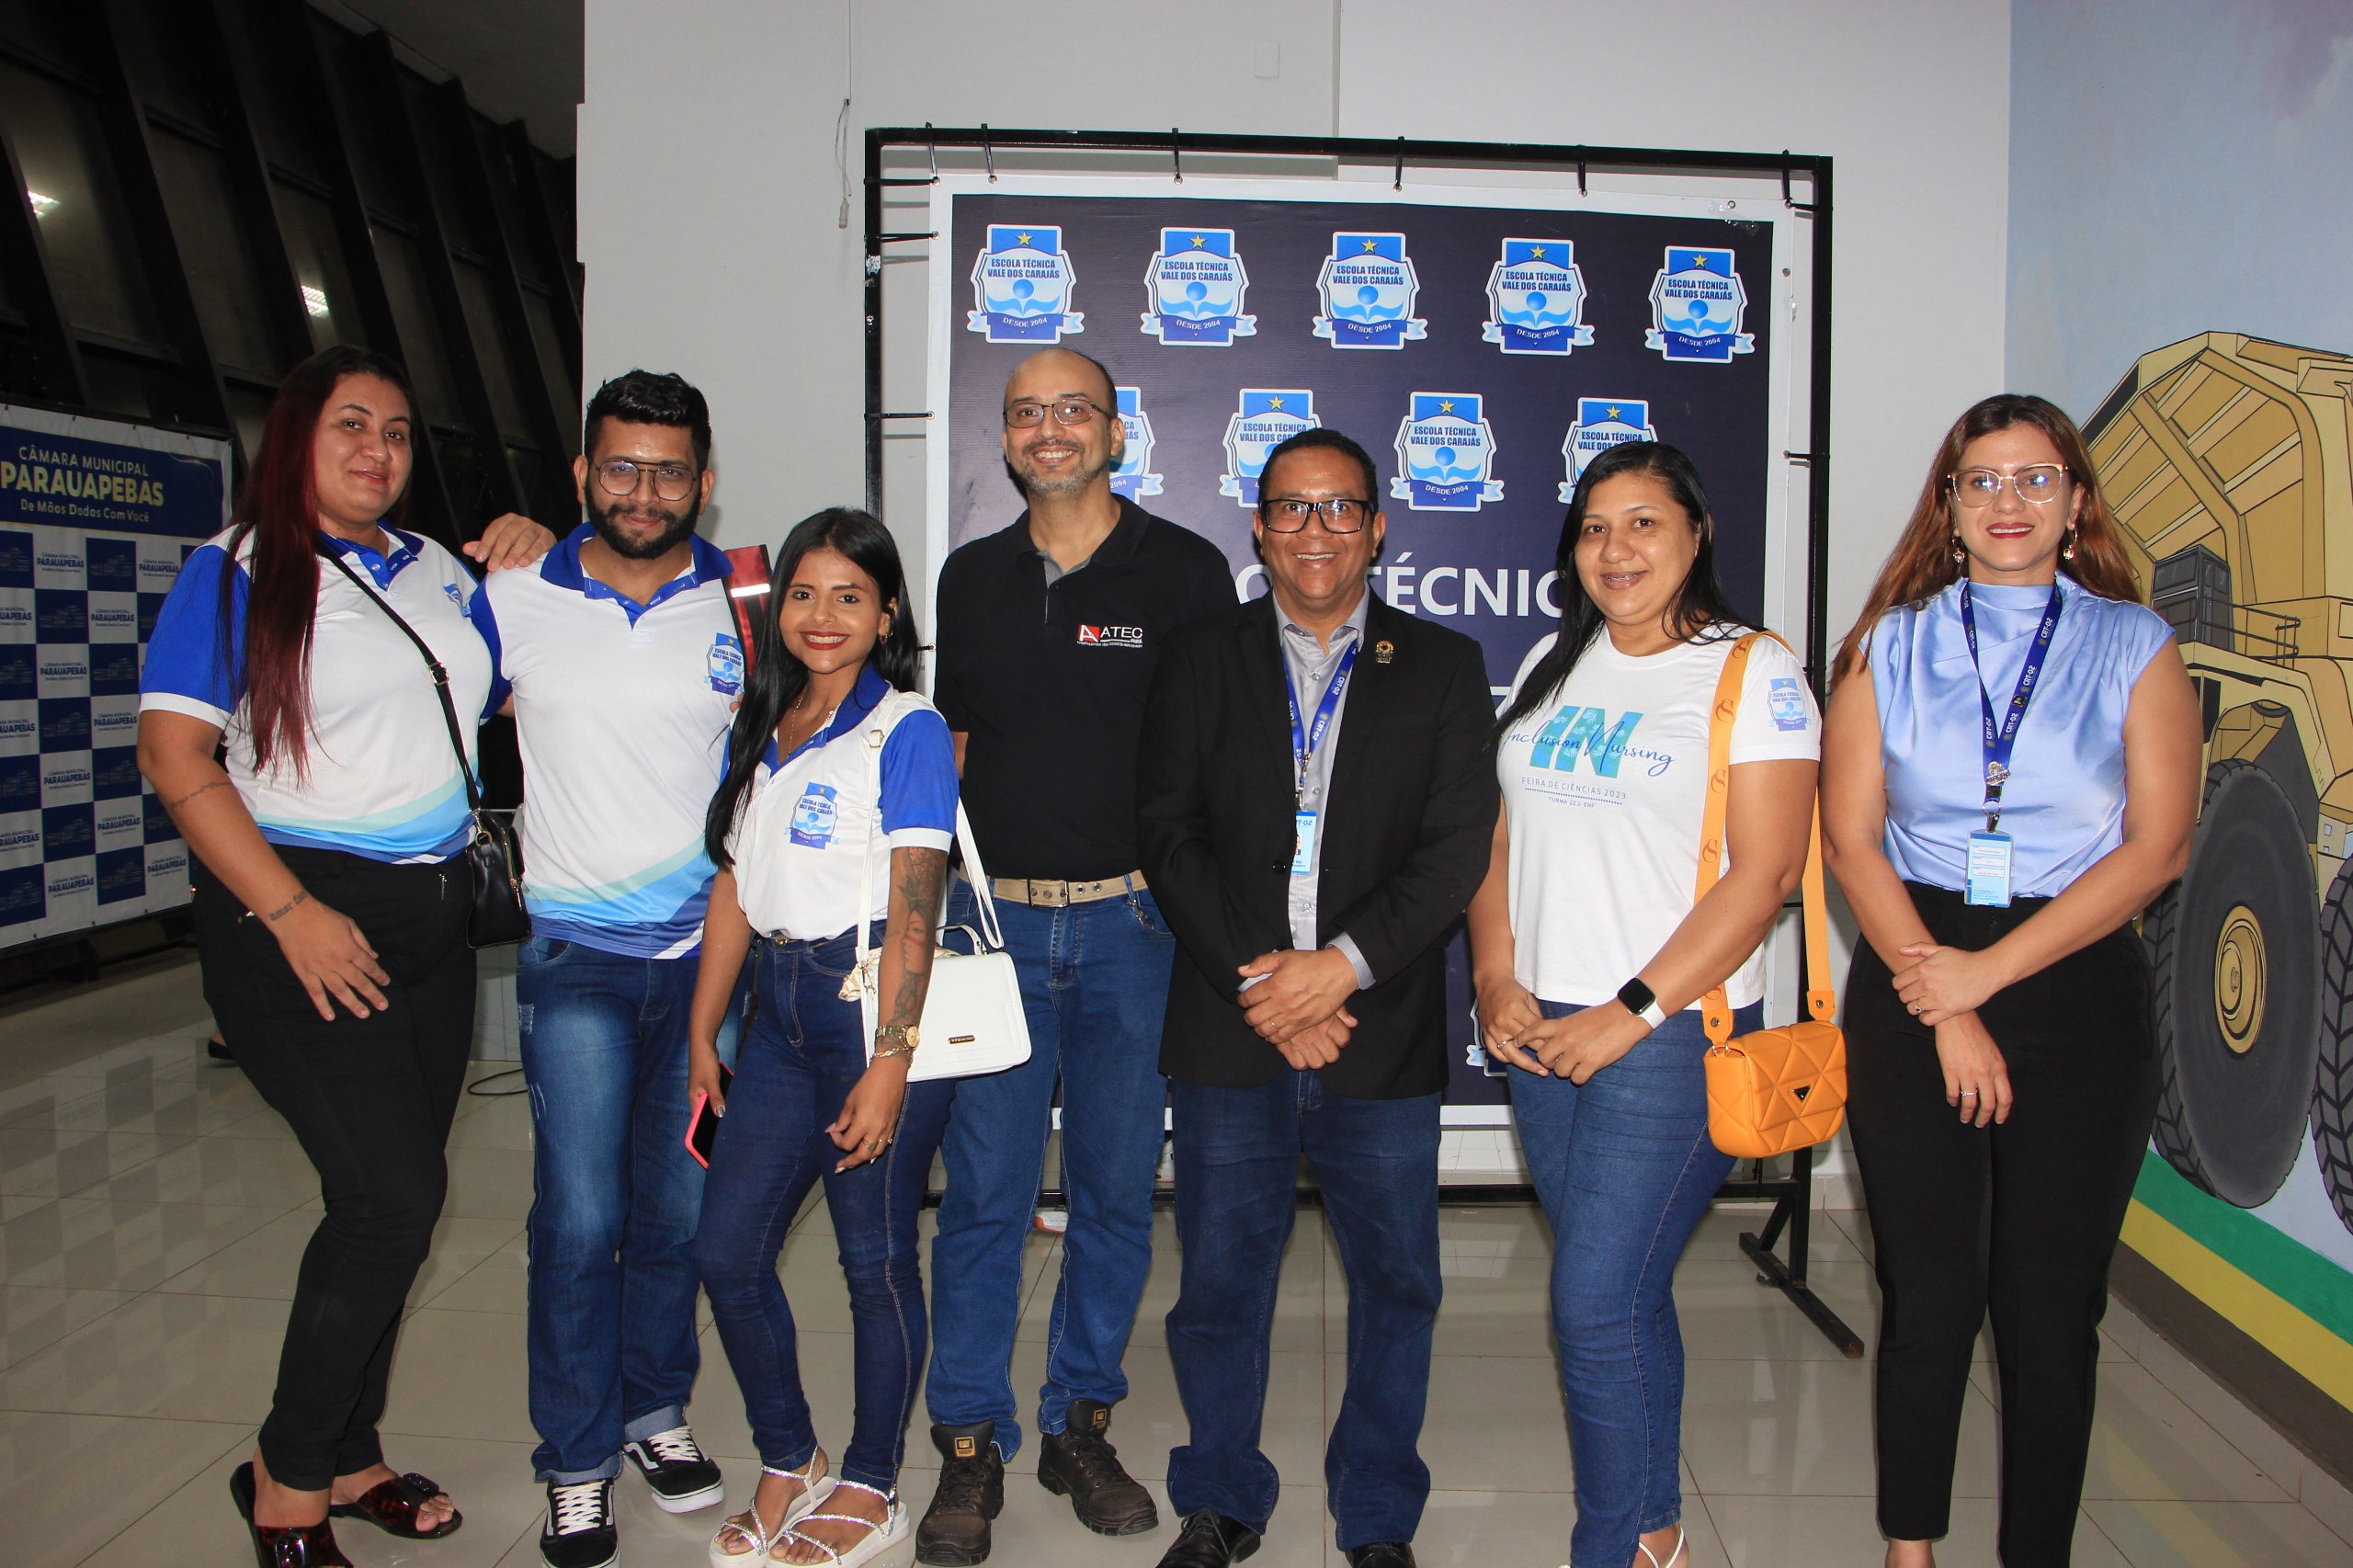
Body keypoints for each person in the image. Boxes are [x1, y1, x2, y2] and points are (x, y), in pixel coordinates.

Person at [135, 345, 553, 1566]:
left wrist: (532, 563)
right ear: (294, 439)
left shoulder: (432, 568)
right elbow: (173, 755)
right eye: (352, 425)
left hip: (431, 920)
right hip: (300, 916)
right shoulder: (234, 571)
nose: (380, 449)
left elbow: (509, 693)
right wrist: (290, 910)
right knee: (390, 1199)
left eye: (399, 431)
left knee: (393, 1203)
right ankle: (287, 1477)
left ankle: (353, 1449)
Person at [1822, 394, 2200, 1568]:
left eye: (2034, 477)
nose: (2007, 501)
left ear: (2076, 500)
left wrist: (1983, 979)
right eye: (1980, 479)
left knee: (2050, 1309)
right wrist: (1946, 999)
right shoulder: (1887, 645)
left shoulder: (2135, 644)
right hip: (1913, 964)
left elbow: (2156, 849)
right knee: (1928, 1292)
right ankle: (1910, 1547)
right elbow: (1852, 844)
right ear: (1946, 505)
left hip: (2075, 982)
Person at [1135, 427, 1497, 1568]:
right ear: (1258, 527)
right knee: (1218, 1282)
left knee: (1397, 1283)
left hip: (1373, 1024)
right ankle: (1221, 1494)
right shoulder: (1200, 656)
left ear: (1377, 528)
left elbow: (1456, 846)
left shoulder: (1442, 664)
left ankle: (1377, 1510)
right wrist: (1267, 979)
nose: (1315, 530)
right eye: (1291, 507)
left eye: (1340, 507)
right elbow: (1167, 831)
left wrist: (1335, 968)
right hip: (1231, 1020)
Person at [1465, 440, 1820, 1568]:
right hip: (1542, 1030)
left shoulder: (1752, 669)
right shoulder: (1556, 659)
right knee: (1620, 1289)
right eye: (1594, 528)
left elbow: (1764, 874)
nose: (1614, 549)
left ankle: (1613, 1544)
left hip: (1668, 1034)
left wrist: (1628, 1010)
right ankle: (1658, 1529)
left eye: (1642, 523)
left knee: (1591, 1299)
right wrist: (1494, 975)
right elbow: (1496, 836)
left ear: (1695, 533)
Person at [918, 347, 1232, 1563]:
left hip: (1132, 931)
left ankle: (1077, 1424)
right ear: (1005, 437)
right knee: (984, 1199)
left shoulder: (1185, 571)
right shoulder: (971, 576)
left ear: (1116, 431)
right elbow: (952, 750)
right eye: (1026, 413)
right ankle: (968, 1440)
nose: (1049, 429)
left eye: (1073, 410)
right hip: (993, 932)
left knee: (1110, 1195)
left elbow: (1212, 755)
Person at [470, 370, 742, 1568]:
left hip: (708, 973)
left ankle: (652, 1409)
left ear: (703, 482)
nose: (643, 491)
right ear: (583, 474)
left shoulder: (744, 600)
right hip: (574, 962)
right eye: (620, 467)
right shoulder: (513, 593)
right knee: (580, 1218)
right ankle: (574, 1459)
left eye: (668, 471)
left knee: (680, 1208)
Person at [688, 507, 961, 1568]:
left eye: (851, 595)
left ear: (887, 613)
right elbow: (733, 885)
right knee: (726, 1248)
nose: (823, 614)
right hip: (776, 1013)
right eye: (803, 592)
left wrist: (891, 1060)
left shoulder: (907, 728)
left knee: (874, 1259)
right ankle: (789, 1453)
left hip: (867, 1006)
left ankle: (872, 1480)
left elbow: (915, 901)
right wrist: (705, 1026)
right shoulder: (764, 719)